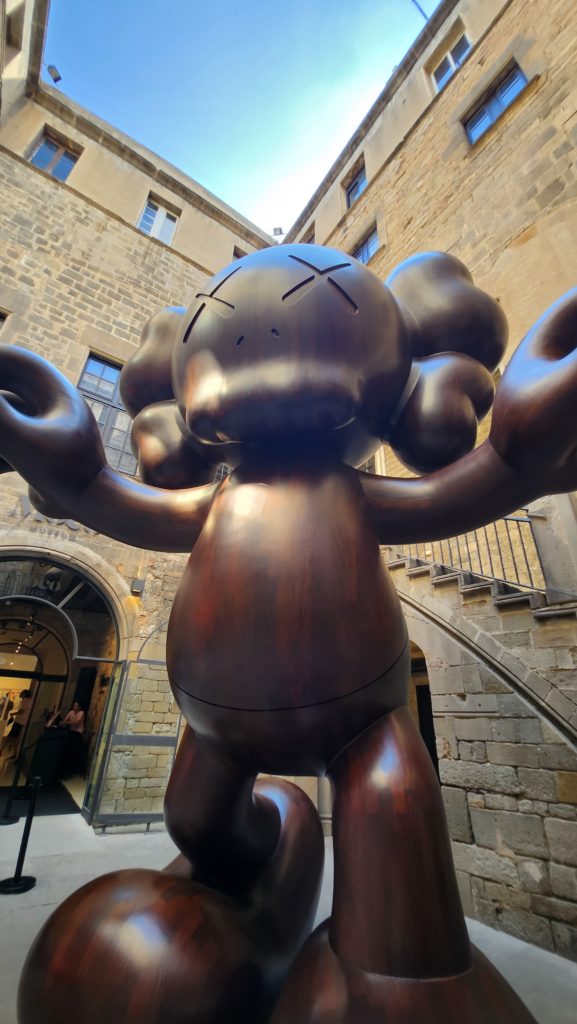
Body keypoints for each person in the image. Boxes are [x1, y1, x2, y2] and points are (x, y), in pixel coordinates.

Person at [62, 701, 85, 775]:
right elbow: (64, 721)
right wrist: (68, 722)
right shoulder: (71, 712)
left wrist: (68, 722)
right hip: (71, 731)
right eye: (74, 705)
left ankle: (68, 767)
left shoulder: (81, 713)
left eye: (76, 706)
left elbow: (75, 723)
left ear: (79, 707)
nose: (74, 707)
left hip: (77, 733)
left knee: (71, 747)